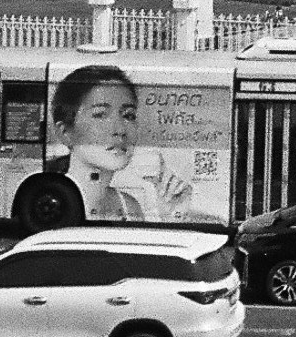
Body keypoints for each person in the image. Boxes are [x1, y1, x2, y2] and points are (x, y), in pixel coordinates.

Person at [47, 63, 193, 223]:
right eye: (100, 115)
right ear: (65, 132)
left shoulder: (129, 207)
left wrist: (170, 216)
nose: (120, 130)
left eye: (128, 116)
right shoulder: (51, 204)